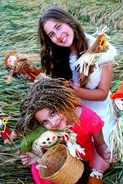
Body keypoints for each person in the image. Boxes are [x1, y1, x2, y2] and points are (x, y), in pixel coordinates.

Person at [37, 6, 118, 148]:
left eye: (59, 27)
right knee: (57, 144)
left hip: (98, 110)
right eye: (51, 34)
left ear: (69, 22)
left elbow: (103, 94)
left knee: (99, 148)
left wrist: (77, 92)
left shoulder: (99, 48)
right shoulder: (56, 55)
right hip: (71, 110)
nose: (58, 35)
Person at [15, 77, 116, 184]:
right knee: (43, 174)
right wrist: (37, 157)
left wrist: (105, 153)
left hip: (79, 160)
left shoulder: (90, 119)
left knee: (76, 181)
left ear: (62, 102)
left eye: (53, 113)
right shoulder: (45, 129)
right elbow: (46, 148)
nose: (52, 122)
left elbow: (100, 144)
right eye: (44, 121)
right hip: (54, 160)